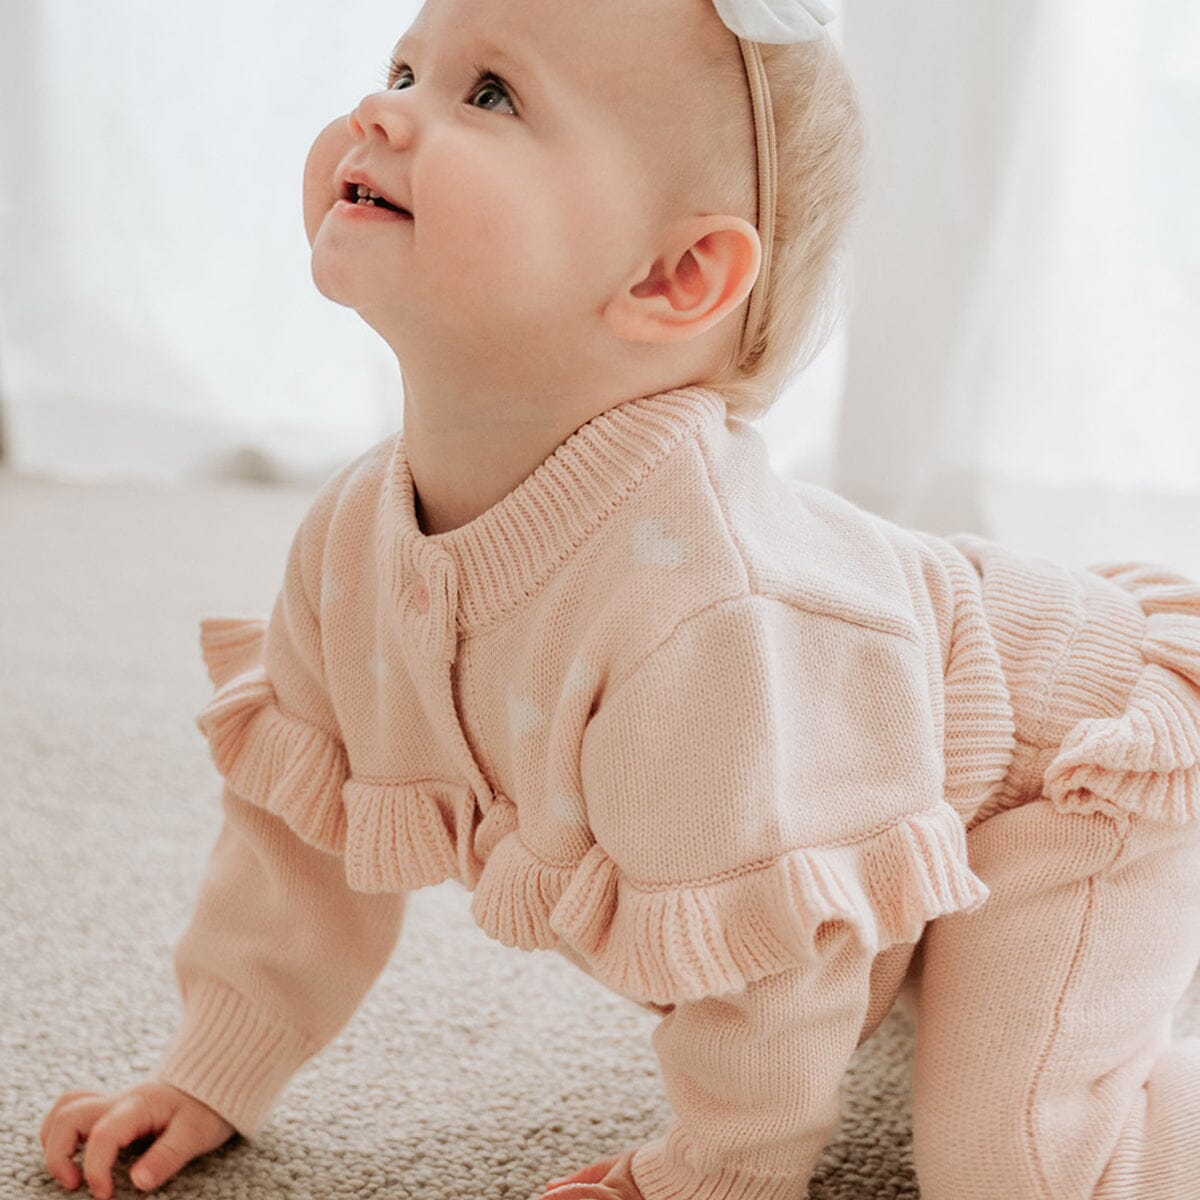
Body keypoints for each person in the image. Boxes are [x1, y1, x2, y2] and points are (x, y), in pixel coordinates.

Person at [39, 0, 1200, 1197]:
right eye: (402, 66)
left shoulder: (710, 614)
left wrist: (713, 1175)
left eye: (488, 93)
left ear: (675, 274)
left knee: (1021, 1166)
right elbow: (297, 836)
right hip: (908, 800)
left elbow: (777, 974)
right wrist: (209, 1069)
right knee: (906, 989)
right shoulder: (351, 541)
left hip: (1068, 778)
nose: (378, 109)